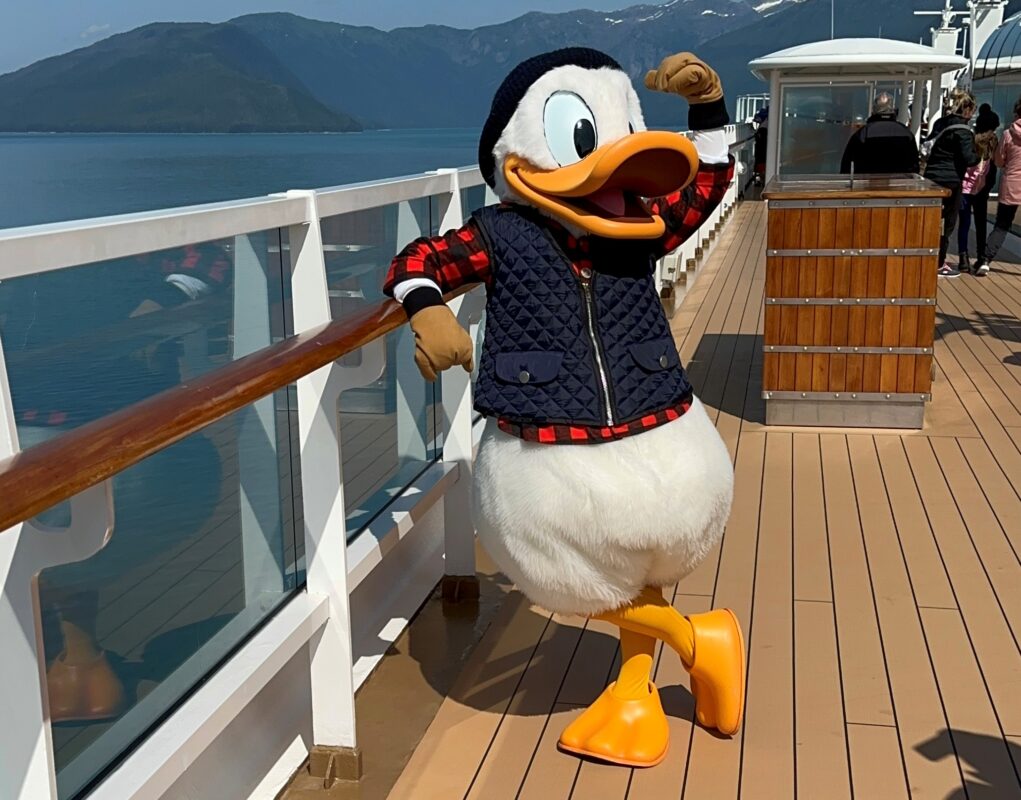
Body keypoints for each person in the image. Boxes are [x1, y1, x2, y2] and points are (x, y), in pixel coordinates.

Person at [0, 243, 230, 722]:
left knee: (50, 541)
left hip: (45, 426)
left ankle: (69, 661)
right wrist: (158, 310)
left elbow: (202, 257)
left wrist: (155, 309)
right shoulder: (110, 229)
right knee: (71, 546)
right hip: (137, 430)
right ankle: (79, 660)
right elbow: (204, 259)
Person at [922, 88, 980, 277]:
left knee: (930, 219)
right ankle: (939, 262)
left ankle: (925, 257)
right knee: (947, 223)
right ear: (967, 109)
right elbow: (969, 159)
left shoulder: (941, 123)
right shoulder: (964, 131)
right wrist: (978, 154)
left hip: (931, 176)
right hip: (951, 181)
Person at [981, 96, 1021, 268]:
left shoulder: (1007, 134)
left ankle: (985, 260)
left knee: (1002, 224)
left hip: (1011, 183)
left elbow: (998, 160)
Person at [957, 119, 999, 275]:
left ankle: (964, 257)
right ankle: (981, 257)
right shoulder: (988, 158)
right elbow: (991, 176)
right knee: (980, 224)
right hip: (978, 192)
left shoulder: (970, 152)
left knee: (965, 224)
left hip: (966, 191)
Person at [840, 92, 919, 174]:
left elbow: (847, 165)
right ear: (893, 109)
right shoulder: (905, 133)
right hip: (900, 180)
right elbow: (914, 165)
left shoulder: (863, 133)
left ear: (874, 109)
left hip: (868, 180)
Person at [752, 104, 768, 185]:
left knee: (760, 156)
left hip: (762, 134)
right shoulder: (769, 114)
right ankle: (763, 179)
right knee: (763, 156)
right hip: (765, 134)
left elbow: (756, 119)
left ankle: (762, 179)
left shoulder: (764, 113)